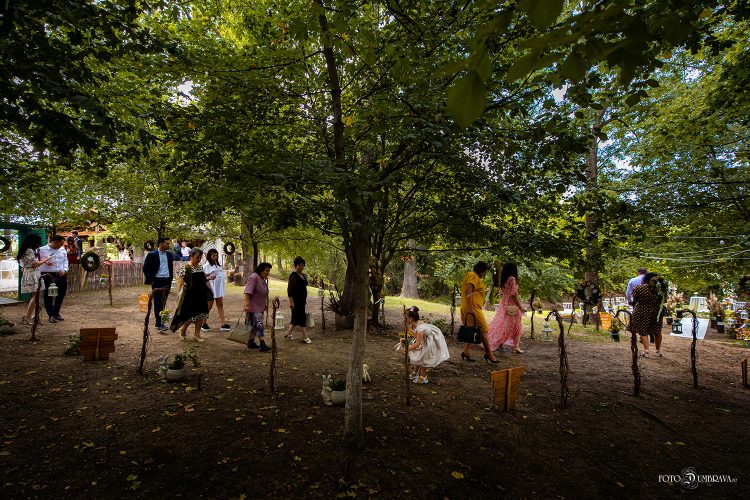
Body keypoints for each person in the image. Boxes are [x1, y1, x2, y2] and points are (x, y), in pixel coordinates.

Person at [170, 247, 214, 342]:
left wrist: (209, 278)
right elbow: (181, 283)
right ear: (191, 256)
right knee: (190, 316)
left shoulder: (200, 267)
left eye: (200, 257)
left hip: (201, 294)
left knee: (201, 315)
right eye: (197, 257)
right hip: (190, 295)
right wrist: (180, 296)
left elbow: (202, 280)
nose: (199, 259)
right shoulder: (186, 268)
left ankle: (197, 335)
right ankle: (183, 330)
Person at [459, 261, 499, 363]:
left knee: (472, 329)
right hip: (473, 308)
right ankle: (489, 353)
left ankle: (465, 351)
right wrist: (471, 308)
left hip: (473, 307)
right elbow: (468, 291)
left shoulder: (474, 277)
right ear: (482, 270)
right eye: (485, 272)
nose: (484, 274)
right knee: (483, 329)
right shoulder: (472, 275)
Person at [487, 262, 528, 354]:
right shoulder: (512, 279)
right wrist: (521, 307)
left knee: (503, 324)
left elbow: (503, 292)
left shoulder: (504, 278)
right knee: (516, 325)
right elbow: (514, 295)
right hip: (512, 304)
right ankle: (516, 346)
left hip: (504, 304)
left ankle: (500, 342)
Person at [402, 306, 450, 384]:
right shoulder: (414, 325)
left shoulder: (420, 328)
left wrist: (407, 349)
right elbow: (416, 336)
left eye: (405, 317)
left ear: (410, 319)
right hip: (423, 340)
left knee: (424, 357)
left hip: (430, 342)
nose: (404, 319)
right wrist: (408, 334)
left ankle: (423, 377)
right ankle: (415, 372)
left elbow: (417, 343)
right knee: (418, 354)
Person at [17, 234, 52, 324]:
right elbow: (34, 264)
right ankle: (28, 317)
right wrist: (46, 259)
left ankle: (35, 316)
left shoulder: (24, 250)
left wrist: (43, 262)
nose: (39, 244)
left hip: (30, 273)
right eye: (38, 242)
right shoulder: (29, 250)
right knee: (36, 296)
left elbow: (27, 264)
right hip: (33, 274)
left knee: (37, 296)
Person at [142, 237, 174, 332]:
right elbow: (145, 268)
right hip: (157, 281)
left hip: (167, 280)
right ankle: (159, 324)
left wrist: (170, 279)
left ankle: (160, 322)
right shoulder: (152, 254)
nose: (168, 245)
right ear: (160, 244)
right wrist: (152, 280)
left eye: (169, 243)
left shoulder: (169, 254)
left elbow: (170, 267)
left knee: (163, 301)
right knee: (157, 302)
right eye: (167, 243)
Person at [632, 272, 664, 358]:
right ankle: (658, 351)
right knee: (657, 330)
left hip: (642, 311)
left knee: (643, 330)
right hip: (656, 312)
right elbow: (664, 300)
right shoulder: (660, 289)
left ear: (646, 279)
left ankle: (646, 350)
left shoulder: (639, 288)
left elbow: (634, 298)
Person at [38, 234, 69, 323]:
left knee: (61, 294)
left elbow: (65, 261)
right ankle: (51, 315)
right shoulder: (41, 250)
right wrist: (44, 261)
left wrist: (65, 270)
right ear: (55, 242)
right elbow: (36, 261)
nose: (62, 245)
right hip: (47, 274)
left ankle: (56, 313)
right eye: (61, 243)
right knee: (49, 295)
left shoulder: (62, 249)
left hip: (61, 274)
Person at [244, 262, 272, 352]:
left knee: (254, 326)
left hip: (259, 306)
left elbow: (263, 293)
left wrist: (265, 305)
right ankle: (262, 344)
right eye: (266, 270)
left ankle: (251, 342)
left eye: (269, 271)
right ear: (261, 270)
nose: (268, 273)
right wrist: (246, 304)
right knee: (259, 325)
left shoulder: (261, 278)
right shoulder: (254, 277)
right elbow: (247, 292)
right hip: (253, 307)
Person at [202, 248, 230, 332]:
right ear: (209, 256)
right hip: (211, 288)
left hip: (218, 288)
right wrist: (209, 288)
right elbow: (205, 278)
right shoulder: (206, 266)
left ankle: (223, 324)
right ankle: (203, 323)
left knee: (220, 305)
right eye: (213, 256)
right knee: (209, 306)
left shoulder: (217, 264)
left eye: (216, 255)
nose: (215, 257)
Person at [285, 256, 312, 343]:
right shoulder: (293, 276)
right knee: (301, 317)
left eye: (302, 265)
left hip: (302, 300)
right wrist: (291, 302)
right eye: (299, 265)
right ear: (295, 265)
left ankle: (288, 333)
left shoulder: (302, 275)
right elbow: (289, 290)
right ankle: (305, 336)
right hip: (295, 301)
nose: (301, 267)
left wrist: (304, 300)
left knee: (295, 317)